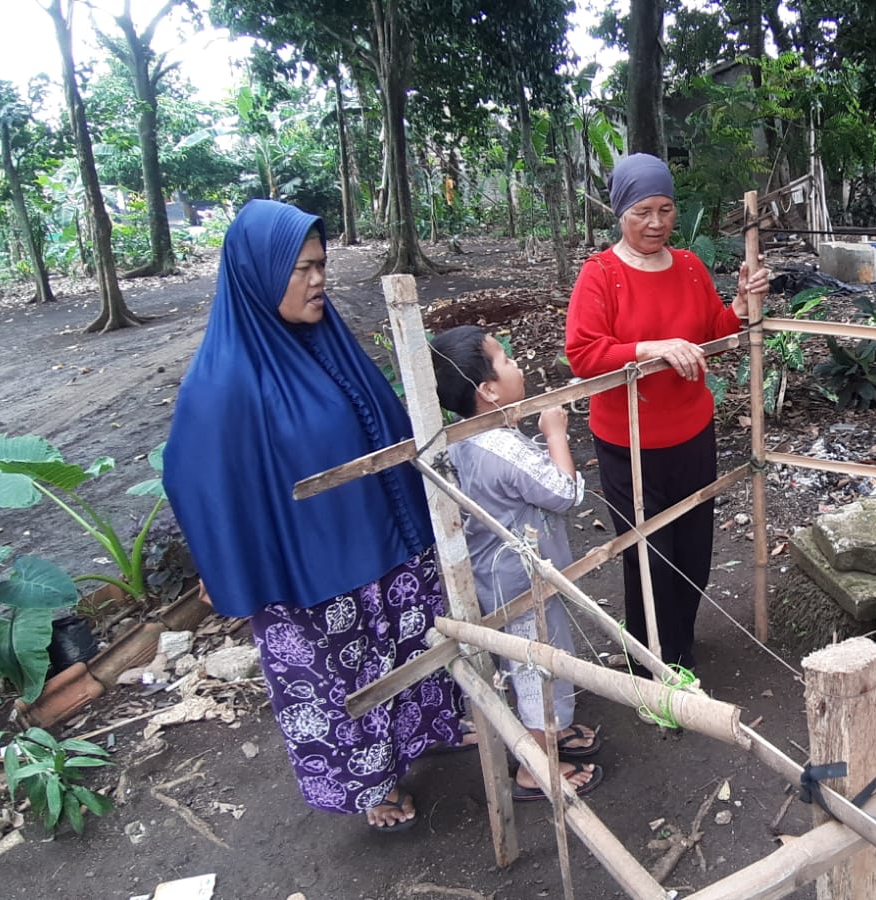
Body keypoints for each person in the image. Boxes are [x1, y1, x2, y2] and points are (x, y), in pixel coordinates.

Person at [163, 199, 461, 834]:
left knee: (406, 651)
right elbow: (200, 483)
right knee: (340, 679)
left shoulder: (329, 344)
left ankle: (417, 741)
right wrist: (224, 568)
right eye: (301, 269)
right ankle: (369, 787)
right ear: (260, 275)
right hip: (311, 572)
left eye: (321, 265)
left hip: (385, 544)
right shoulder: (223, 384)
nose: (317, 280)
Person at [564, 153, 770, 670]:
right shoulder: (600, 274)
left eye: (665, 209)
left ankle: (682, 646)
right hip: (628, 441)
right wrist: (649, 349)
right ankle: (650, 664)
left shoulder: (689, 266)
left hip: (691, 431)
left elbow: (711, 332)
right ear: (619, 213)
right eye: (642, 212)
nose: (655, 223)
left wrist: (740, 309)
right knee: (648, 557)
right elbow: (584, 353)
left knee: (694, 550)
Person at [428, 325, 604, 800]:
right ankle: (535, 765)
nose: (517, 364)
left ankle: (552, 731)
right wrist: (555, 434)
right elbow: (564, 494)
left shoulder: (465, 436)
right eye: (504, 360)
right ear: (486, 390)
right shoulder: (503, 448)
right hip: (520, 578)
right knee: (535, 662)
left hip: (498, 572)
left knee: (537, 653)